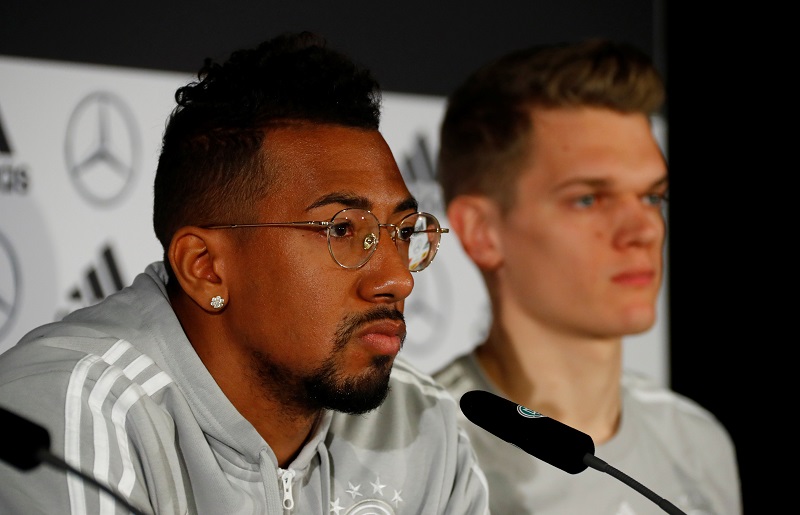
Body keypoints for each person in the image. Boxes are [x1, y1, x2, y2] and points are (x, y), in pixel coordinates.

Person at [0, 31, 490, 514]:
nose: (398, 280)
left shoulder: (422, 423)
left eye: (403, 232)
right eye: (342, 229)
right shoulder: (72, 412)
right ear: (206, 268)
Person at [432, 39, 741, 514]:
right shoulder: (422, 452)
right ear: (482, 232)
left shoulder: (698, 442)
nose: (643, 230)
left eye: (652, 197)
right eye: (588, 199)